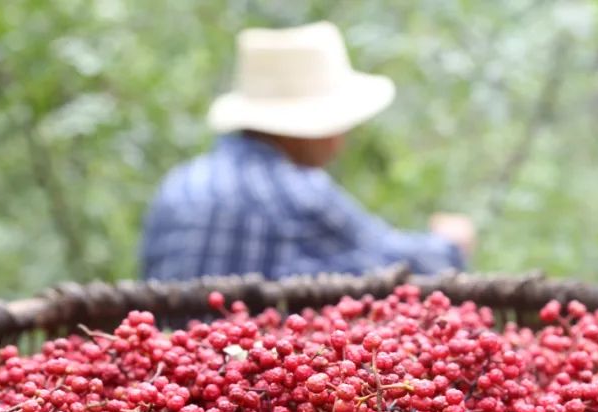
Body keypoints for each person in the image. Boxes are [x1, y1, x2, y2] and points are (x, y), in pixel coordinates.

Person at [140, 21, 475, 281]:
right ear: (303, 131)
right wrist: (451, 242)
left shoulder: (179, 184)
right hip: (261, 364)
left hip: (172, 359)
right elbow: (401, 261)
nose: (340, 139)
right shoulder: (298, 192)